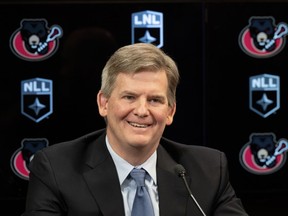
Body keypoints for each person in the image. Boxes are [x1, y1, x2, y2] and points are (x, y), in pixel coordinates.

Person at [22, 43, 249, 216]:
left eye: (155, 100)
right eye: (129, 97)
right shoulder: (56, 170)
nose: (142, 111)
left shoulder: (208, 171)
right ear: (104, 103)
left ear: (170, 112)